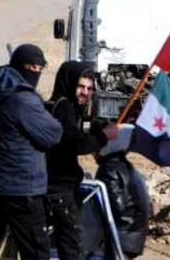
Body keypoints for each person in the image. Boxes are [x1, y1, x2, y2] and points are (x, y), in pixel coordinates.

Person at [0, 44, 63, 260]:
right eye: (32, 68)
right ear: (20, 67)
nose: (35, 73)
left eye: (39, 69)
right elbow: (53, 135)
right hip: (21, 190)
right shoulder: (24, 99)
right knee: (37, 253)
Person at [44, 62, 118, 260]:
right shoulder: (63, 108)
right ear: (69, 84)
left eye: (88, 88)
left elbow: (82, 130)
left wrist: (98, 129)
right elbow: (74, 144)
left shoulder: (69, 108)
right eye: (80, 87)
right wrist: (102, 138)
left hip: (60, 187)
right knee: (71, 249)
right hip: (59, 188)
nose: (85, 92)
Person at [95, 125, 150, 260]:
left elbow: (112, 206)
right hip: (134, 236)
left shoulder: (110, 169)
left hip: (121, 236)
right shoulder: (125, 166)